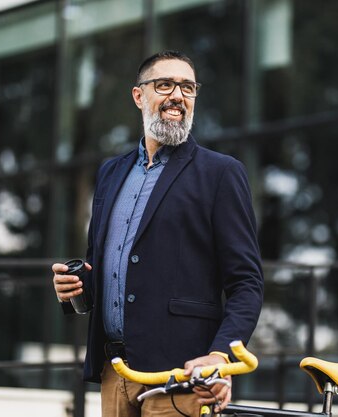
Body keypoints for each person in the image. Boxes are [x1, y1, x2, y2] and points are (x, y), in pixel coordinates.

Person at [51, 50, 264, 417]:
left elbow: (247, 282)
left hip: (182, 374)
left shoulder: (220, 173)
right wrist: (78, 286)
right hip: (113, 370)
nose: (177, 96)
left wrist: (219, 355)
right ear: (139, 96)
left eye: (188, 87)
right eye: (164, 85)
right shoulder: (110, 172)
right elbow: (108, 265)